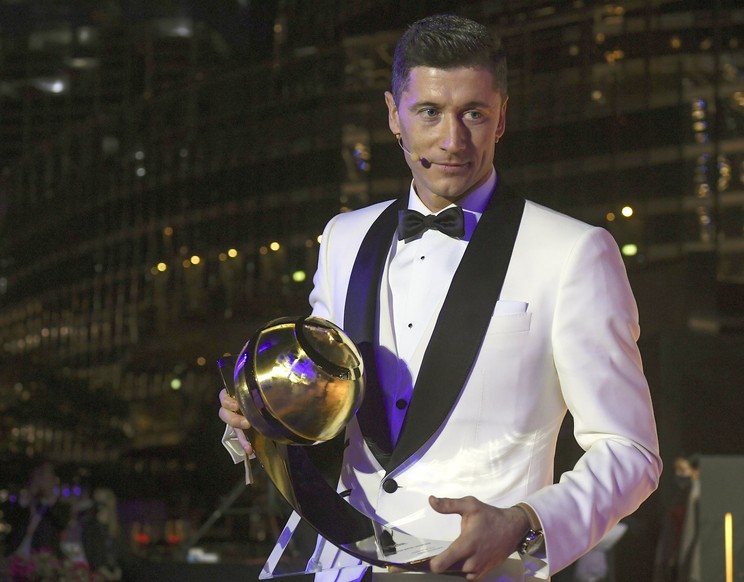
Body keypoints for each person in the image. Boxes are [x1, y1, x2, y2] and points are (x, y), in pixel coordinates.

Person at [219, 13, 661, 582]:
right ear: (393, 115)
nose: (452, 141)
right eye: (429, 112)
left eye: (473, 113)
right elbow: (313, 400)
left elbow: (631, 451)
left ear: (502, 117)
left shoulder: (574, 252)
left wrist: (525, 520)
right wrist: (253, 412)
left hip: (484, 569)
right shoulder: (343, 237)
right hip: (339, 561)